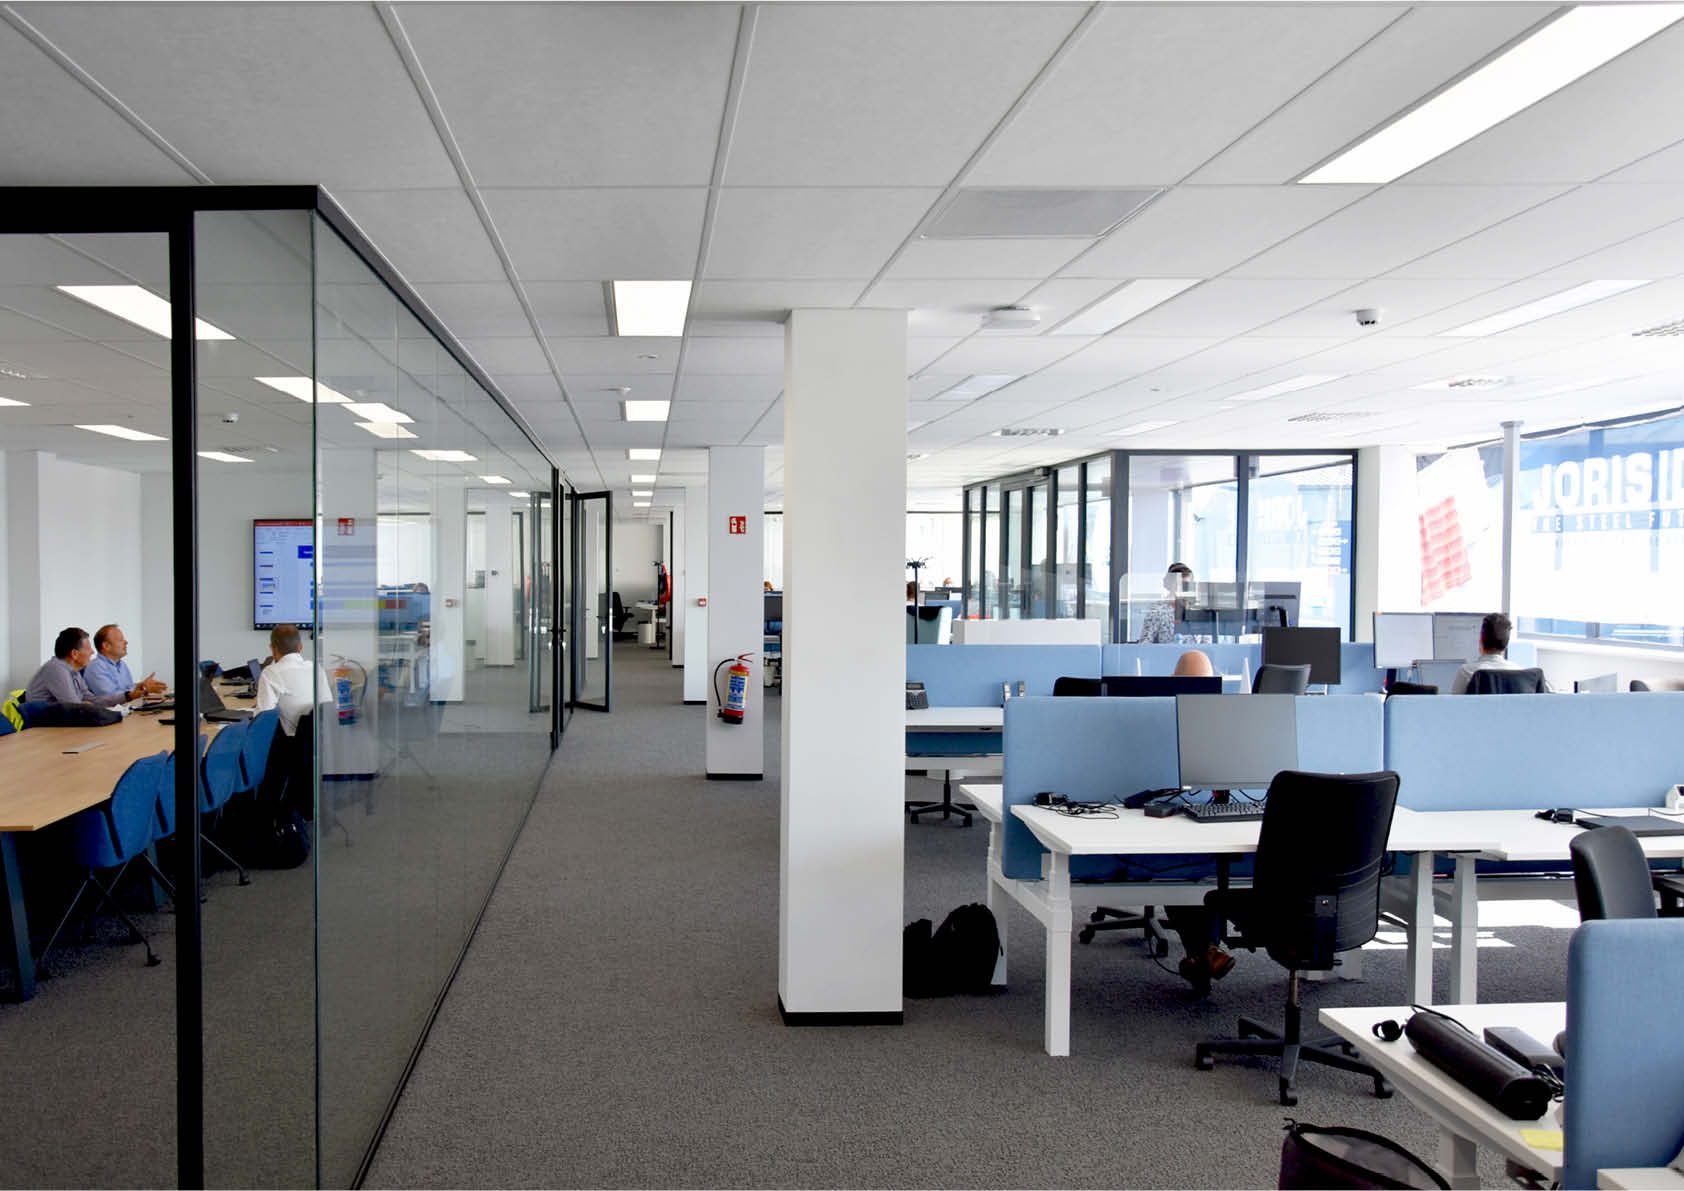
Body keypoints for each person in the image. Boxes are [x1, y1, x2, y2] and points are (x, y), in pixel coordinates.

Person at [26, 626, 137, 707]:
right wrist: (85, 704)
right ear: (74, 654)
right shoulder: (55, 669)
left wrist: (128, 695)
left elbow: (93, 700)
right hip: (43, 728)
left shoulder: (73, 671)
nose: (92, 652)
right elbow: (74, 707)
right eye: (88, 648)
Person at [255, 624, 334, 737]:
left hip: (292, 742)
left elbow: (263, 719)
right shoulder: (316, 668)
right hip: (322, 740)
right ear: (300, 647)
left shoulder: (271, 672)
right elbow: (327, 706)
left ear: (273, 648)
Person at [1450, 613, 1550, 694]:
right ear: (1506, 645)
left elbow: (1454, 708)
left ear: (1481, 640)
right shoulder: (1523, 675)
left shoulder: (1467, 672)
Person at [84, 623, 166, 701]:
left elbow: (128, 688)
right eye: (120, 640)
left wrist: (142, 685)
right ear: (106, 646)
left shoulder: (122, 665)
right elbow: (112, 698)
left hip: (128, 708)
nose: (126, 642)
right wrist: (141, 690)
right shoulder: (95, 667)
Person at [1139, 563, 1193, 644]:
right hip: (1167, 651)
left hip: (1196, 652)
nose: (1182, 589)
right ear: (1170, 585)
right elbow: (1145, 642)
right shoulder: (1157, 609)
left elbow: (1208, 644)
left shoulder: (1197, 609)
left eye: (1186, 585)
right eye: (1179, 584)